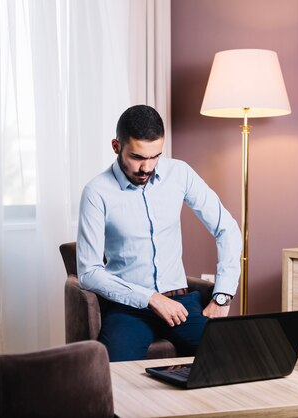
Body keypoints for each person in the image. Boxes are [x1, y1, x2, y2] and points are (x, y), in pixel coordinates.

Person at [77, 104, 242, 361]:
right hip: (127, 309)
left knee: (230, 360)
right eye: (138, 157)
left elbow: (227, 228)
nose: (147, 167)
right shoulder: (96, 192)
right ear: (116, 146)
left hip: (180, 304)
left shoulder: (180, 174)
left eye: (155, 156)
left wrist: (222, 297)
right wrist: (150, 298)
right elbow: (89, 273)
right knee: (114, 376)